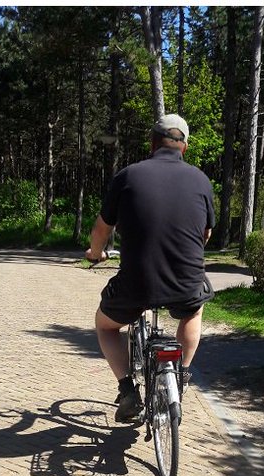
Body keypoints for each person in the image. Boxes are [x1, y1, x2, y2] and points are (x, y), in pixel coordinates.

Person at [86, 114, 215, 422]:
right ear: (184, 146)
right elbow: (206, 234)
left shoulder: (128, 175)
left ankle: (127, 389)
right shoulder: (201, 179)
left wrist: (95, 253)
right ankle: (181, 375)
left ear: (153, 143)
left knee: (105, 326)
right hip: (185, 280)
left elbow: (102, 229)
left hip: (136, 282)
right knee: (194, 310)